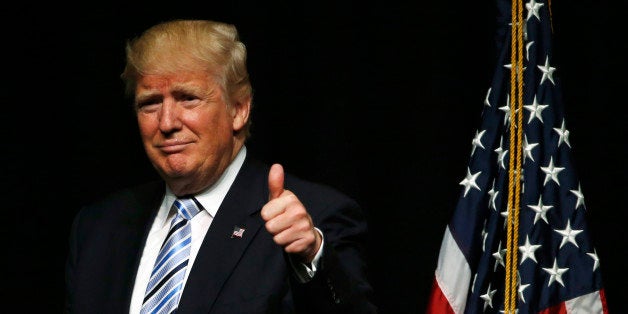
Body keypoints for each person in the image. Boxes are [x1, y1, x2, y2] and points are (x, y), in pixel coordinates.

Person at [64, 19, 377, 314]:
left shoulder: (313, 217)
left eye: (188, 98)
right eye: (150, 103)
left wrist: (312, 256)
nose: (167, 122)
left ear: (238, 109)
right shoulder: (97, 227)